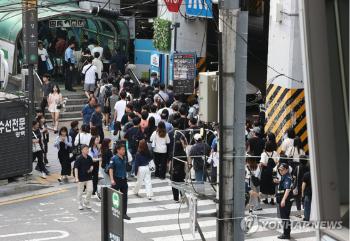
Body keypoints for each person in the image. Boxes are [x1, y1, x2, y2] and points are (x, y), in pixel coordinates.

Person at [108, 143, 131, 220]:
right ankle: (111, 213)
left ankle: (124, 213)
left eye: (124, 149)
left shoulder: (124, 158)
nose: (124, 151)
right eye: (122, 150)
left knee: (124, 197)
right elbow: (111, 169)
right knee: (113, 197)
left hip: (123, 180)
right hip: (116, 180)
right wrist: (112, 179)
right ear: (118, 150)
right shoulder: (113, 158)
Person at [275, 163, 294, 239]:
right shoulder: (284, 176)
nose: (280, 171)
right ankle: (286, 233)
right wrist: (279, 182)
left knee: (285, 217)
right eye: (279, 170)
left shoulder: (287, 177)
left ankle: (286, 234)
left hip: (286, 200)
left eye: (282, 170)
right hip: (285, 199)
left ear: (286, 169)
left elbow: (288, 189)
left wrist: (283, 200)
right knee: (285, 217)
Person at [75, 145, 94, 210]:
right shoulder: (79, 158)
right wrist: (76, 178)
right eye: (86, 149)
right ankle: (79, 204)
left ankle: (86, 202)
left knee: (90, 190)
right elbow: (76, 168)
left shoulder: (89, 158)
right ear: (82, 150)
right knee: (80, 192)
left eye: (88, 149)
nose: (87, 150)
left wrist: (91, 168)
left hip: (88, 177)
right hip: (81, 178)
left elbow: (92, 165)